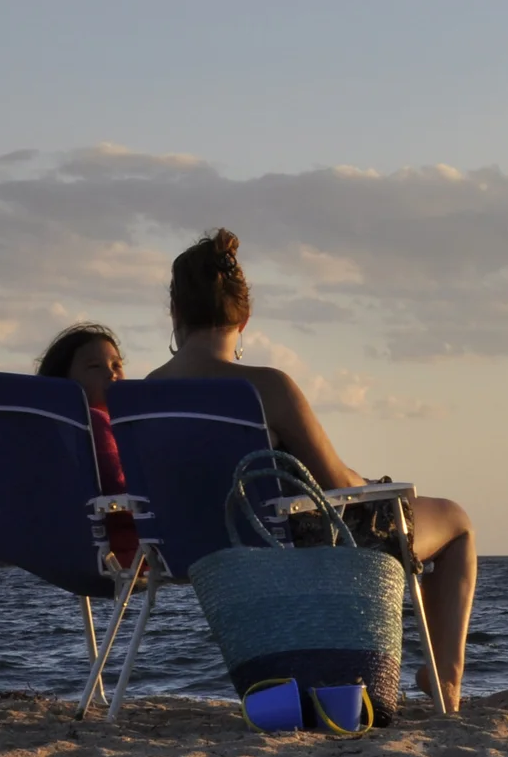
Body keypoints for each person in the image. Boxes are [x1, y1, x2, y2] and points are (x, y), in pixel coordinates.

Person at [145, 229, 477, 706]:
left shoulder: (142, 396)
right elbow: (337, 484)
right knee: (457, 521)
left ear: (175, 312)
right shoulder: (266, 388)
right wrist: (381, 488)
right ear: (246, 316)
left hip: (186, 550)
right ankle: (445, 680)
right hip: (287, 548)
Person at [36, 321, 139, 566]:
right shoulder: (94, 422)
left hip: (66, 546)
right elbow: (117, 486)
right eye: (94, 366)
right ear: (64, 382)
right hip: (123, 548)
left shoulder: (50, 431)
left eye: (117, 365)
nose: (111, 373)